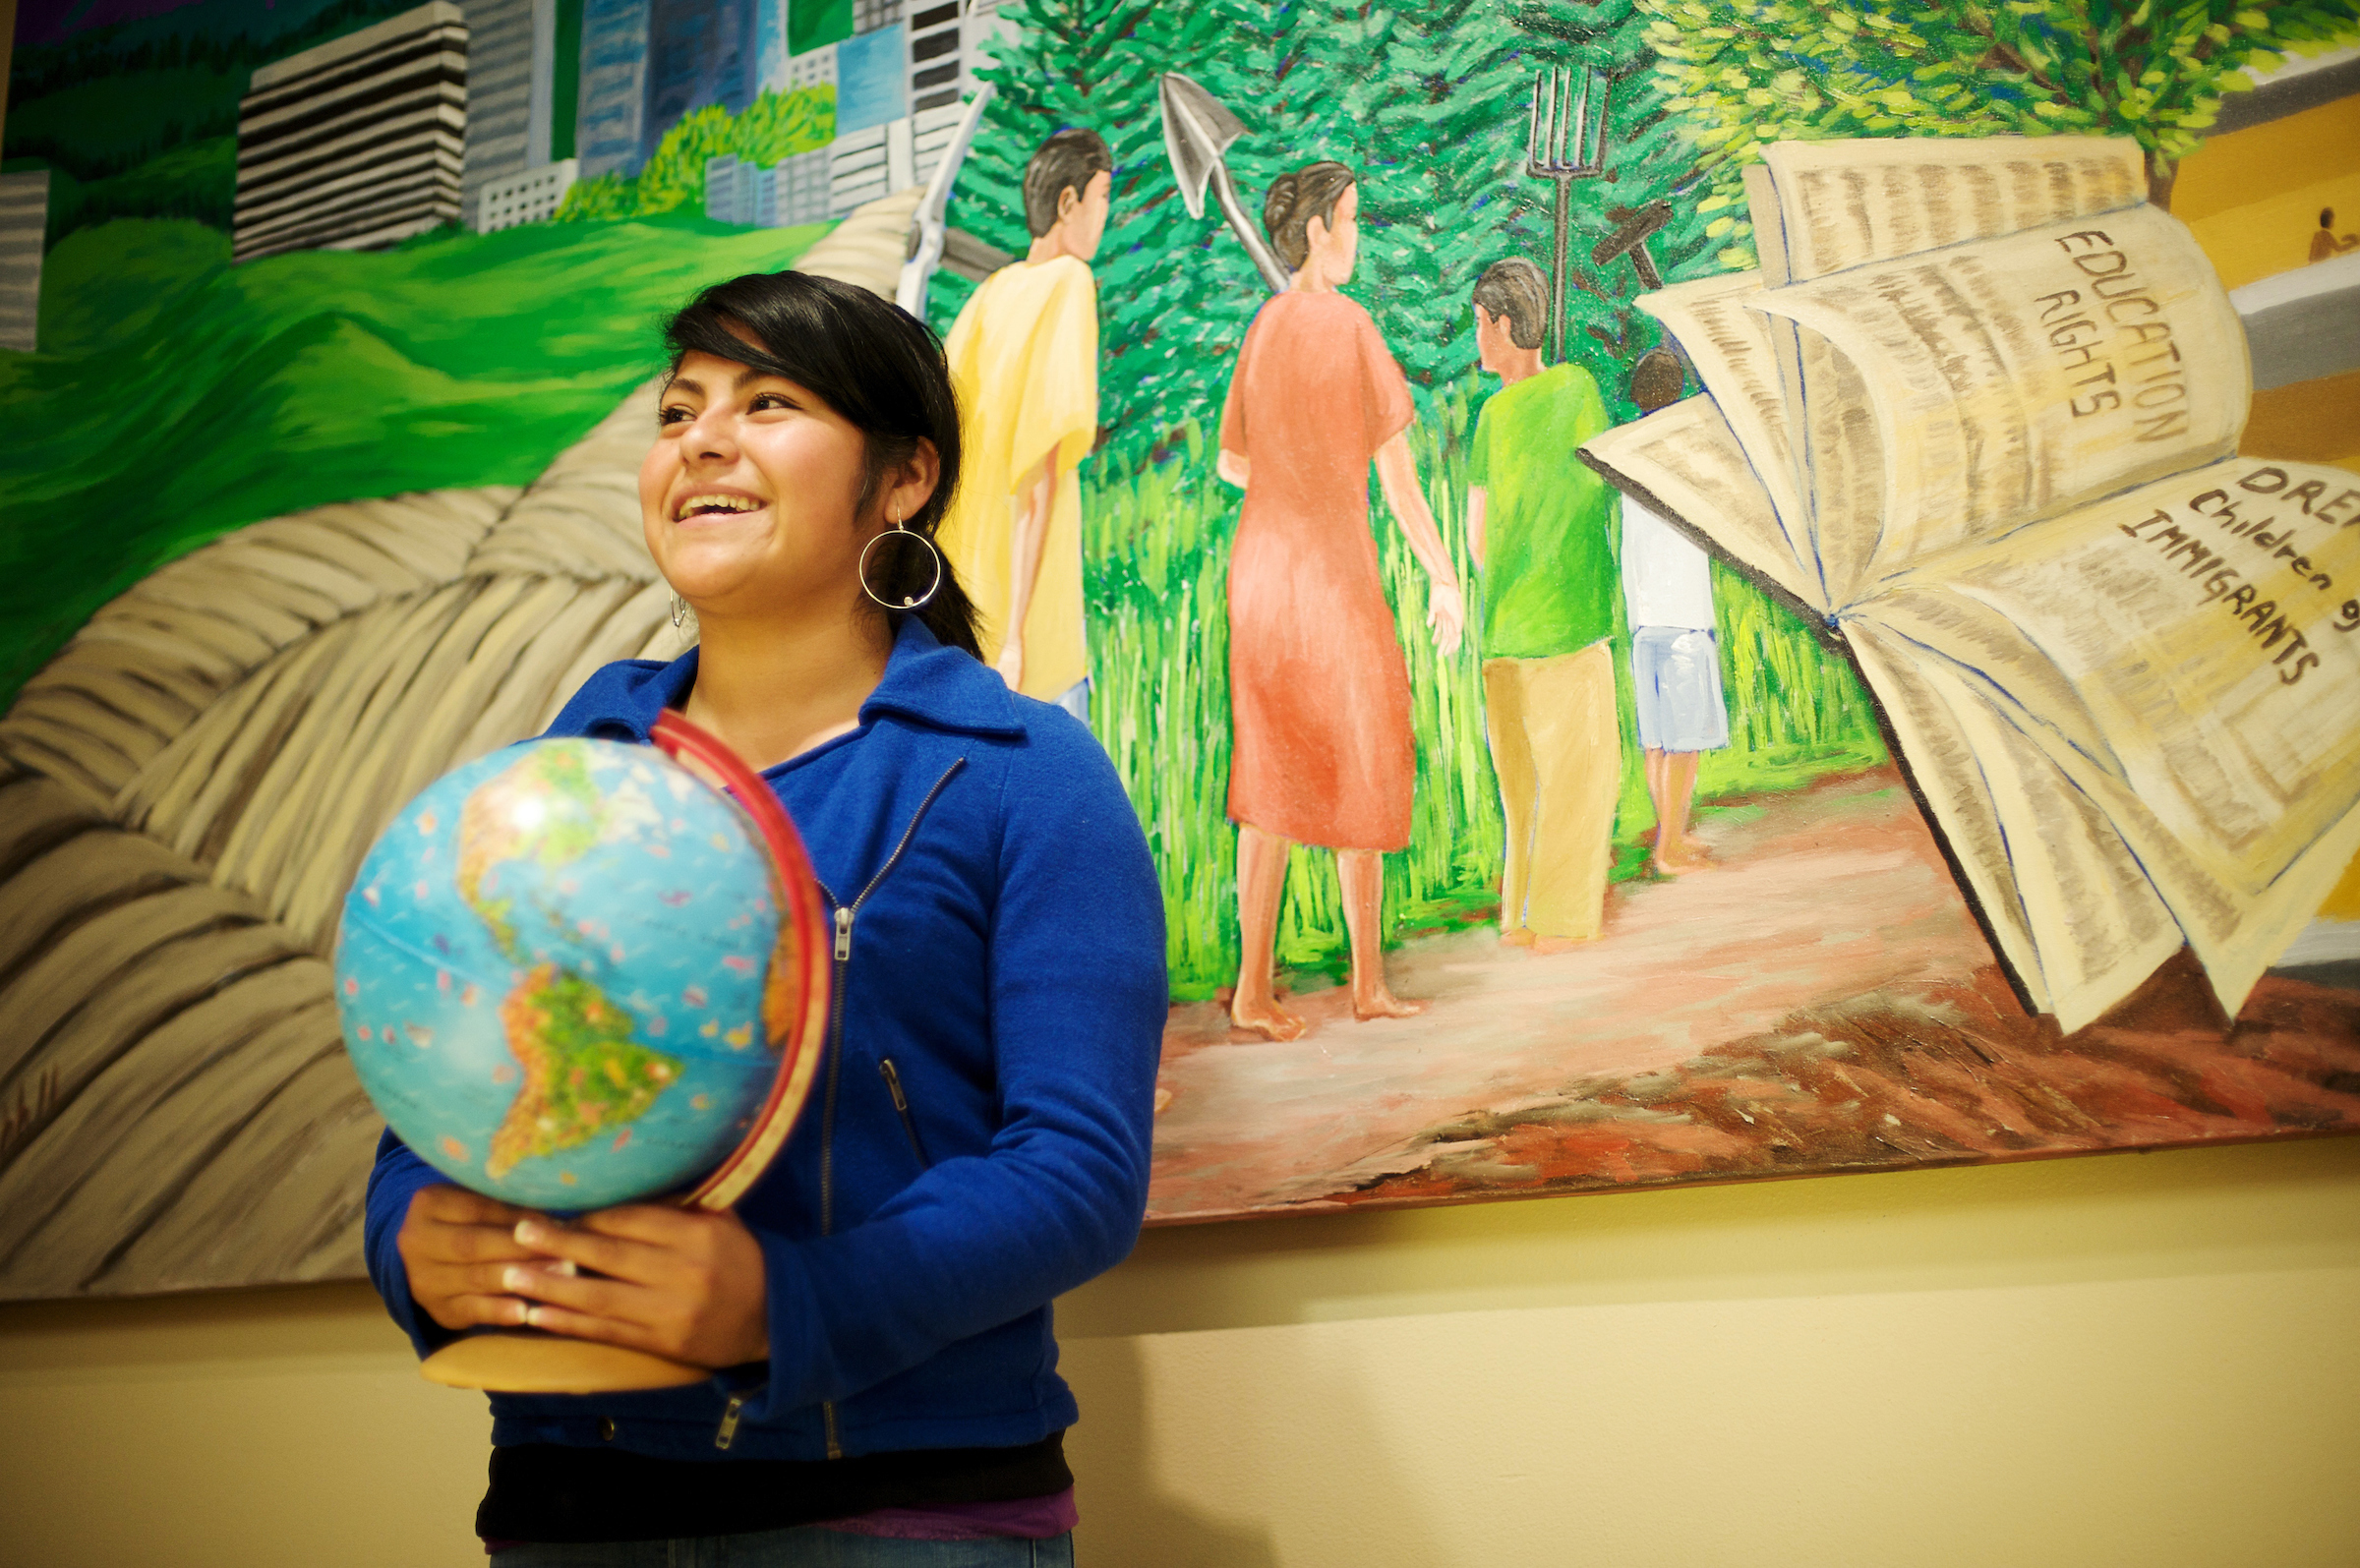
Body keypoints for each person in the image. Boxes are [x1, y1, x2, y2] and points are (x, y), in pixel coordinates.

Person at [363, 270, 1167, 1562]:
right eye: (679, 410)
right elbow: (445, 1089)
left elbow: (1076, 1168)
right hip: (568, 1503)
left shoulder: (1024, 769)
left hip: (903, 1512)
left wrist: (790, 1301)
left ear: (903, 479)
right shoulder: (571, 772)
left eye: (768, 401)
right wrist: (411, 1235)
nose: (700, 440)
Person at [1214, 159, 1464, 1042]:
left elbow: (1231, 463)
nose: (1357, 234)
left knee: (1272, 771)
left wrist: (1294, 465)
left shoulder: (1264, 326)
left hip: (1261, 573)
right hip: (1329, 572)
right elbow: (1398, 478)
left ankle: (1253, 989)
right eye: (1351, 219)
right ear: (1318, 228)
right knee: (1366, 747)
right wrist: (1441, 572)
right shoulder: (1350, 324)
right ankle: (1365, 983)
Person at [1463, 258, 1620, 949]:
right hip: (1571, 623)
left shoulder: (1491, 417)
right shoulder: (1580, 389)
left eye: (1478, 324)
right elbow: (1606, 482)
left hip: (1505, 632)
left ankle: (1518, 917)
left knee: (1520, 792)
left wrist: (1512, 572)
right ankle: (1560, 924)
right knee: (1577, 787)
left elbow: (1476, 537)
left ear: (1502, 324)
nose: (1476, 338)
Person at [937, 128, 1112, 722]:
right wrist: (1015, 638)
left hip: (964, 626)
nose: (1105, 218)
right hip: (1033, 642)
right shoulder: (1069, 284)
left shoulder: (989, 294)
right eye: (1103, 199)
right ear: (1069, 203)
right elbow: (1037, 479)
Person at [1618, 346, 1729, 875]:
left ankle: (1669, 838)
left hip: (1644, 618)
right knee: (1683, 743)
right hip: (1684, 615)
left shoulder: (1628, 456)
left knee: (1658, 740)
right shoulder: (1684, 455)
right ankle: (1671, 846)